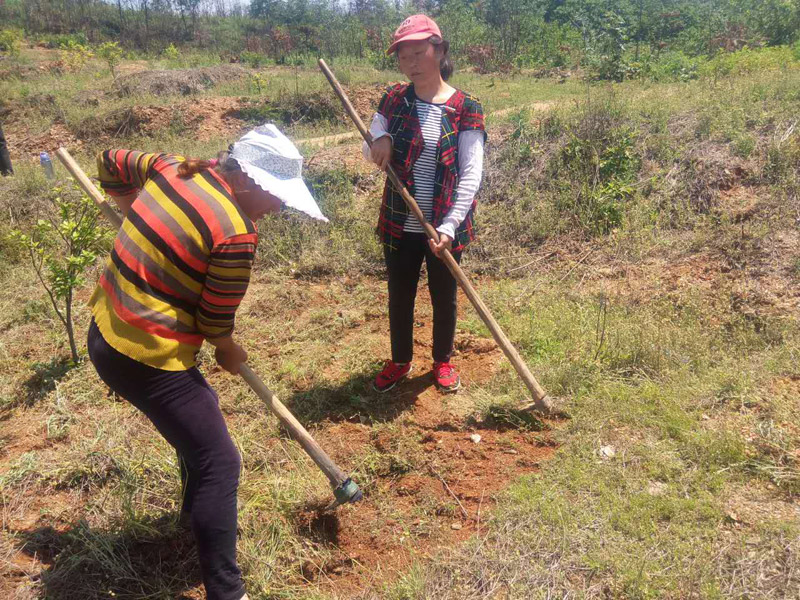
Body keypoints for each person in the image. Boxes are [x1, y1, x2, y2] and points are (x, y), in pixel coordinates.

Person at [86, 125, 327, 600]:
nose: (279, 208)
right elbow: (214, 321)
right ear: (247, 179)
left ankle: (189, 519)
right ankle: (227, 592)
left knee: (198, 429)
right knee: (220, 461)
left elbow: (109, 158)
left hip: (105, 327)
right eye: (277, 196)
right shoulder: (236, 234)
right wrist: (228, 349)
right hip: (147, 355)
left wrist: (130, 210)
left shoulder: (174, 167)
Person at [364, 14, 487, 394]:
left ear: (440, 51)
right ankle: (400, 360)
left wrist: (450, 225)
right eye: (404, 57)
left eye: (418, 53)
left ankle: (443, 360)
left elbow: (471, 173)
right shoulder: (394, 99)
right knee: (399, 294)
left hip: (444, 226)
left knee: (444, 297)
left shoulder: (466, 107)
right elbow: (371, 140)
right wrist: (379, 138)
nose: (411, 63)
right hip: (400, 222)